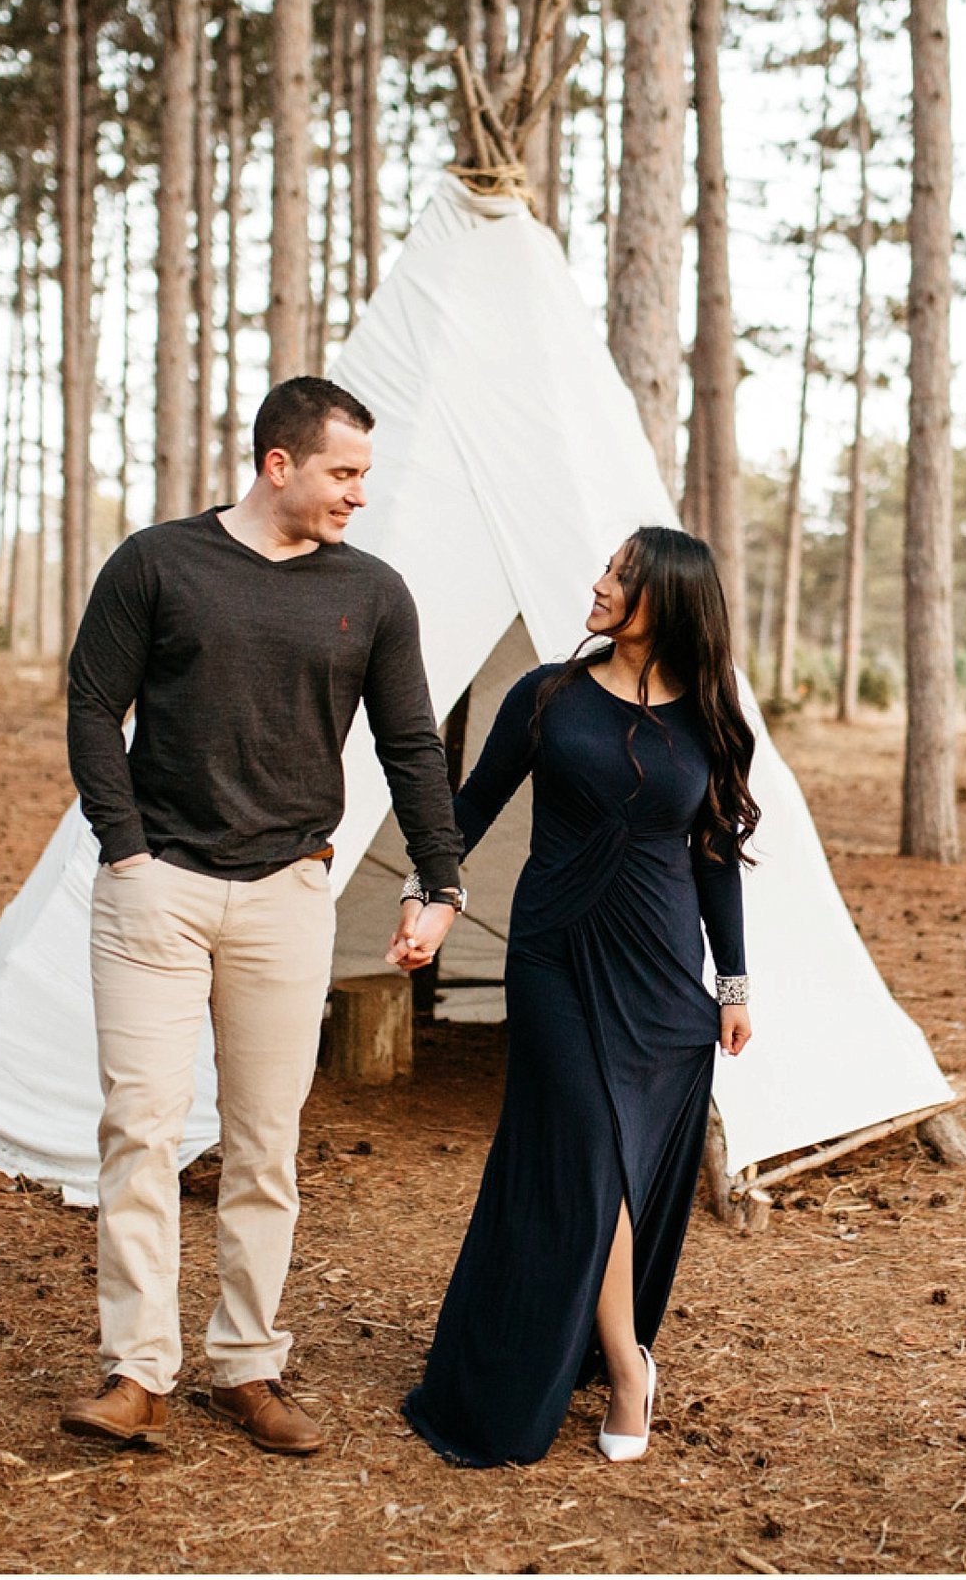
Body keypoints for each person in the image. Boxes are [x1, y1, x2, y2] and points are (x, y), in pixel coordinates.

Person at [58, 377, 465, 1455]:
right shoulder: (157, 564)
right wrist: (126, 850)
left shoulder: (373, 593)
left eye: (364, 475)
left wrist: (440, 880)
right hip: (157, 891)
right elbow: (95, 704)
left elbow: (412, 746)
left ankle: (246, 1365)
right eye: (343, 472)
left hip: (290, 893)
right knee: (140, 1129)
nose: (358, 495)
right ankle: (137, 1371)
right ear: (277, 463)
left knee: (264, 1144)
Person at [396, 525, 757, 1467]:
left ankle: (606, 1341)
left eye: (622, 577)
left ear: (667, 602)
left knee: (624, 1164)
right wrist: (428, 895)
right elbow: (469, 806)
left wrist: (733, 982)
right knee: (592, 1154)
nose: (598, 584)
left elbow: (714, 857)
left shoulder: (709, 720)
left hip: (660, 972)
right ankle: (629, 1362)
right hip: (554, 954)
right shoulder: (546, 696)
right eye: (606, 567)